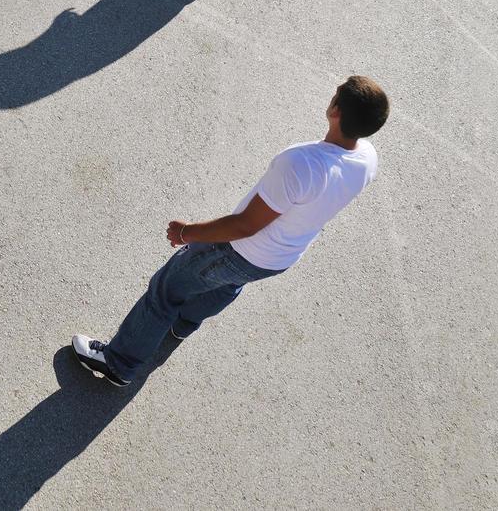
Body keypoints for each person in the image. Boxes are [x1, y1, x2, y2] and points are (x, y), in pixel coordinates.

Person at [72, 76, 390, 386]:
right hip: (280, 257)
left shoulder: (301, 164)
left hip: (241, 249)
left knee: (166, 289)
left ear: (335, 110)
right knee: (226, 286)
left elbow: (245, 226)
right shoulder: (367, 158)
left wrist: (188, 233)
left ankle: (119, 364)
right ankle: (183, 324)